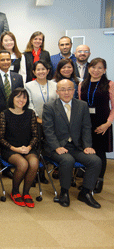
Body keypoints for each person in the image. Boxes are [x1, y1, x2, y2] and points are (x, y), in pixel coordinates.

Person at [43, 79, 102, 208]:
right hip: (56, 147)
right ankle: (64, 192)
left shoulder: (82, 105)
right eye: (62, 89)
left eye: (69, 89)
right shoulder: (49, 106)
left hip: (76, 146)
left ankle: (86, 192)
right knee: (67, 160)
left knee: (95, 161)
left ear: (74, 91)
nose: (66, 92)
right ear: (57, 92)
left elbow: (86, 127)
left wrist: (87, 146)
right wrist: (57, 147)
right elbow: (48, 130)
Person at [0, 88, 39, 208]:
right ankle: (15, 191)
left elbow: (35, 135)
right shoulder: (4, 114)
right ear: (12, 98)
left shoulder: (30, 113)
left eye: (24, 97)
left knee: (34, 163)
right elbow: (1, 138)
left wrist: (29, 147)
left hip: (28, 148)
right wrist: (16, 149)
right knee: (23, 164)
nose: (21, 100)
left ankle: (26, 193)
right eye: (18, 97)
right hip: (10, 149)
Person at [78, 58, 113, 193]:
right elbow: (81, 105)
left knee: (99, 153)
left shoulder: (109, 84)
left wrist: (107, 123)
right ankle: (88, 181)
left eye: (99, 68)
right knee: (87, 151)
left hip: (103, 123)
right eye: (93, 67)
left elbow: (113, 107)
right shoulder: (83, 84)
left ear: (104, 70)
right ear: (88, 68)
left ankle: (99, 181)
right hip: (86, 123)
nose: (96, 70)